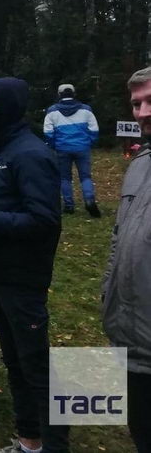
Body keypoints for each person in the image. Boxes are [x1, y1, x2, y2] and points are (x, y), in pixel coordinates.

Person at [0, 79, 69, 453]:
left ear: (8, 106)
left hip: (22, 276)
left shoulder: (31, 154)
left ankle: (56, 444)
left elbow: (45, 220)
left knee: (36, 365)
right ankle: (29, 441)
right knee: (16, 361)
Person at [103, 66, 151, 453]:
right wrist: (109, 292)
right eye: (137, 103)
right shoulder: (139, 164)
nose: (142, 112)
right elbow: (120, 237)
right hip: (130, 335)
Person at [43, 84, 101, 217]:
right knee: (85, 177)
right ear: (74, 94)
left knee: (65, 178)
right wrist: (89, 142)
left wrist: (54, 145)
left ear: (59, 95)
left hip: (62, 148)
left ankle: (69, 205)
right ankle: (90, 201)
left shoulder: (52, 111)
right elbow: (94, 130)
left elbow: (48, 132)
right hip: (82, 148)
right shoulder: (86, 110)